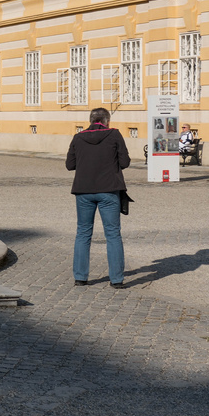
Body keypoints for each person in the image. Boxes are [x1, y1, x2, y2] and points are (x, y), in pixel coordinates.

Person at [66, 107, 129, 288]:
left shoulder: (78, 137)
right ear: (107, 121)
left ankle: (80, 277)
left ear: (90, 120)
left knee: (83, 233)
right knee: (113, 234)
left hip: (84, 190)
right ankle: (116, 280)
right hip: (109, 190)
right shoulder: (114, 135)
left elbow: (70, 165)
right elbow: (124, 162)